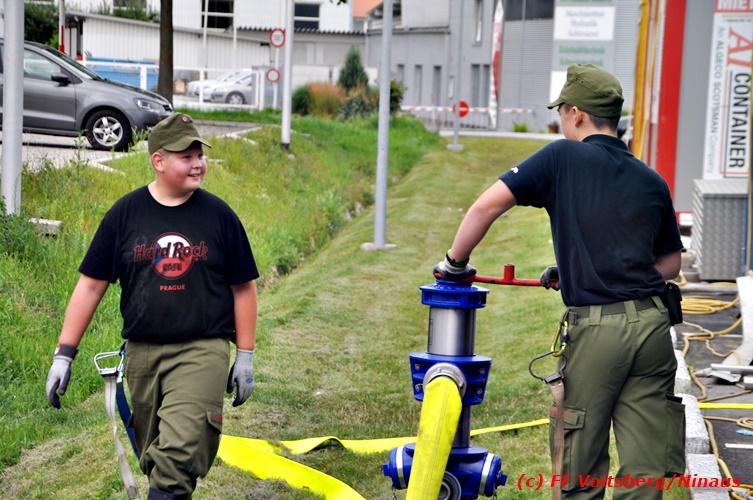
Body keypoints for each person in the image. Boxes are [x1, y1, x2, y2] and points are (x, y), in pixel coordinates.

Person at [435, 64, 684, 499]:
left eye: (562, 113)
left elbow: (486, 207)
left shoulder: (561, 157)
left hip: (600, 333)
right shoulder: (650, 178)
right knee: (645, 469)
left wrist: (454, 263)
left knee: (580, 465)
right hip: (653, 327)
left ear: (576, 113)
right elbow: (670, 263)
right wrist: (575, 270)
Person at [45, 112, 259, 500]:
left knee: (177, 458)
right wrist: (64, 354)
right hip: (142, 357)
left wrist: (245, 355)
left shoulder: (219, 216)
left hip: (202, 350)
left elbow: (243, 288)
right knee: (156, 459)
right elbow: (91, 286)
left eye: (200, 155)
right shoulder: (125, 215)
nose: (197, 163)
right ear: (158, 160)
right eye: (186, 156)